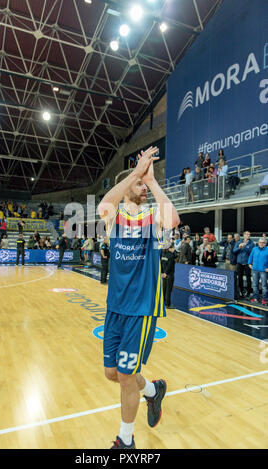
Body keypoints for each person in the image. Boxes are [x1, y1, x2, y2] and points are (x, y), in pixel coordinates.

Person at [98, 145, 179, 449]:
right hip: (115, 307)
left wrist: (153, 180)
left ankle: (125, 441)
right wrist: (135, 172)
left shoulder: (151, 217)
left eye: (146, 185)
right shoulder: (114, 215)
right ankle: (152, 391)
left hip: (141, 308)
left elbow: (173, 221)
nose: (143, 188)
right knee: (112, 373)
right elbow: (103, 204)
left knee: (125, 375)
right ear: (127, 185)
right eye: (140, 185)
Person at [233, 231, 254, 298]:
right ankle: (241, 290)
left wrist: (244, 247)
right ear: (244, 235)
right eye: (247, 234)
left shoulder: (251, 243)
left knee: (248, 278)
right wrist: (239, 247)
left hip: (247, 263)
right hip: (239, 263)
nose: (248, 235)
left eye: (249, 234)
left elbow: (251, 252)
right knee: (240, 278)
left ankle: (249, 291)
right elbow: (234, 251)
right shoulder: (239, 242)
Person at [248, 238, 268, 305]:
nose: (261, 243)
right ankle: (256, 298)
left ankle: (264, 299)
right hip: (255, 269)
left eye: (263, 242)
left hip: (263, 270)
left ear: (265, 243)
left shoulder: (267, 250)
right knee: (255, 285)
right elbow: (251, 256)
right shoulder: (254, 249)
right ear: (258, 243)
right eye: (260, 242)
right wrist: (249, 263)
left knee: (264, 286)